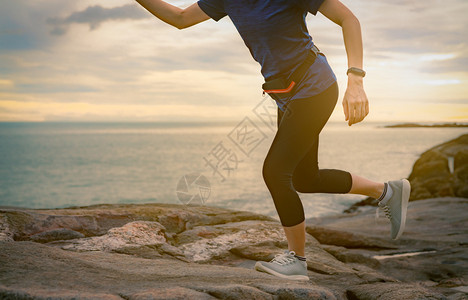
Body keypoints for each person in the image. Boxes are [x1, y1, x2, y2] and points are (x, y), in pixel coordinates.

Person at [134, 0, 411, 281]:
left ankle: (297, 260)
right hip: (286, 94)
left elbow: (349, 19)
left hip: (314, 87)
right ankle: (386, 191)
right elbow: (180, 18)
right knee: (305, 179)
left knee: (275, 172)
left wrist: (356, 81)